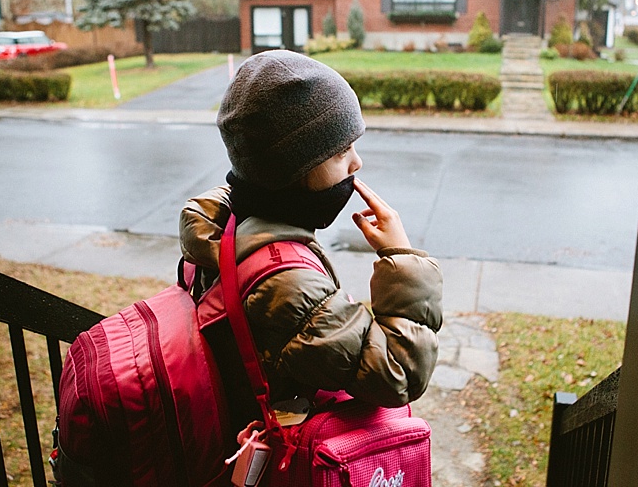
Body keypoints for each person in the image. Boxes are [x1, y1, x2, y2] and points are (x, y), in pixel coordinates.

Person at [180, 49, 443, 433]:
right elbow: (399, 373)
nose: (357, 164)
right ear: (291, 170)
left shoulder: (228, 221)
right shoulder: (286, 283)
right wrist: (402, 258)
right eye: (341, 153)